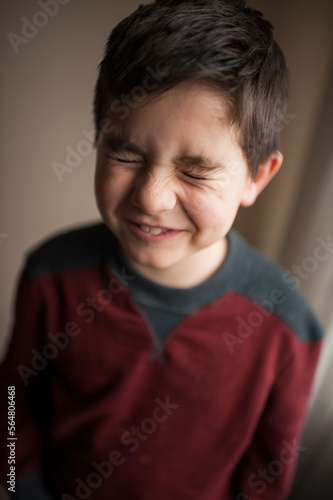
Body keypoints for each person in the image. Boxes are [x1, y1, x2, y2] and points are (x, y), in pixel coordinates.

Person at [0, 0, 323, 499]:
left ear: (257, 177)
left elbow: (267, 480)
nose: (151, 198)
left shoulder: (288, 330)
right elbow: (12, 408)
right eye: (125, 153)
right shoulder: (50, 275)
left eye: (195, 170)